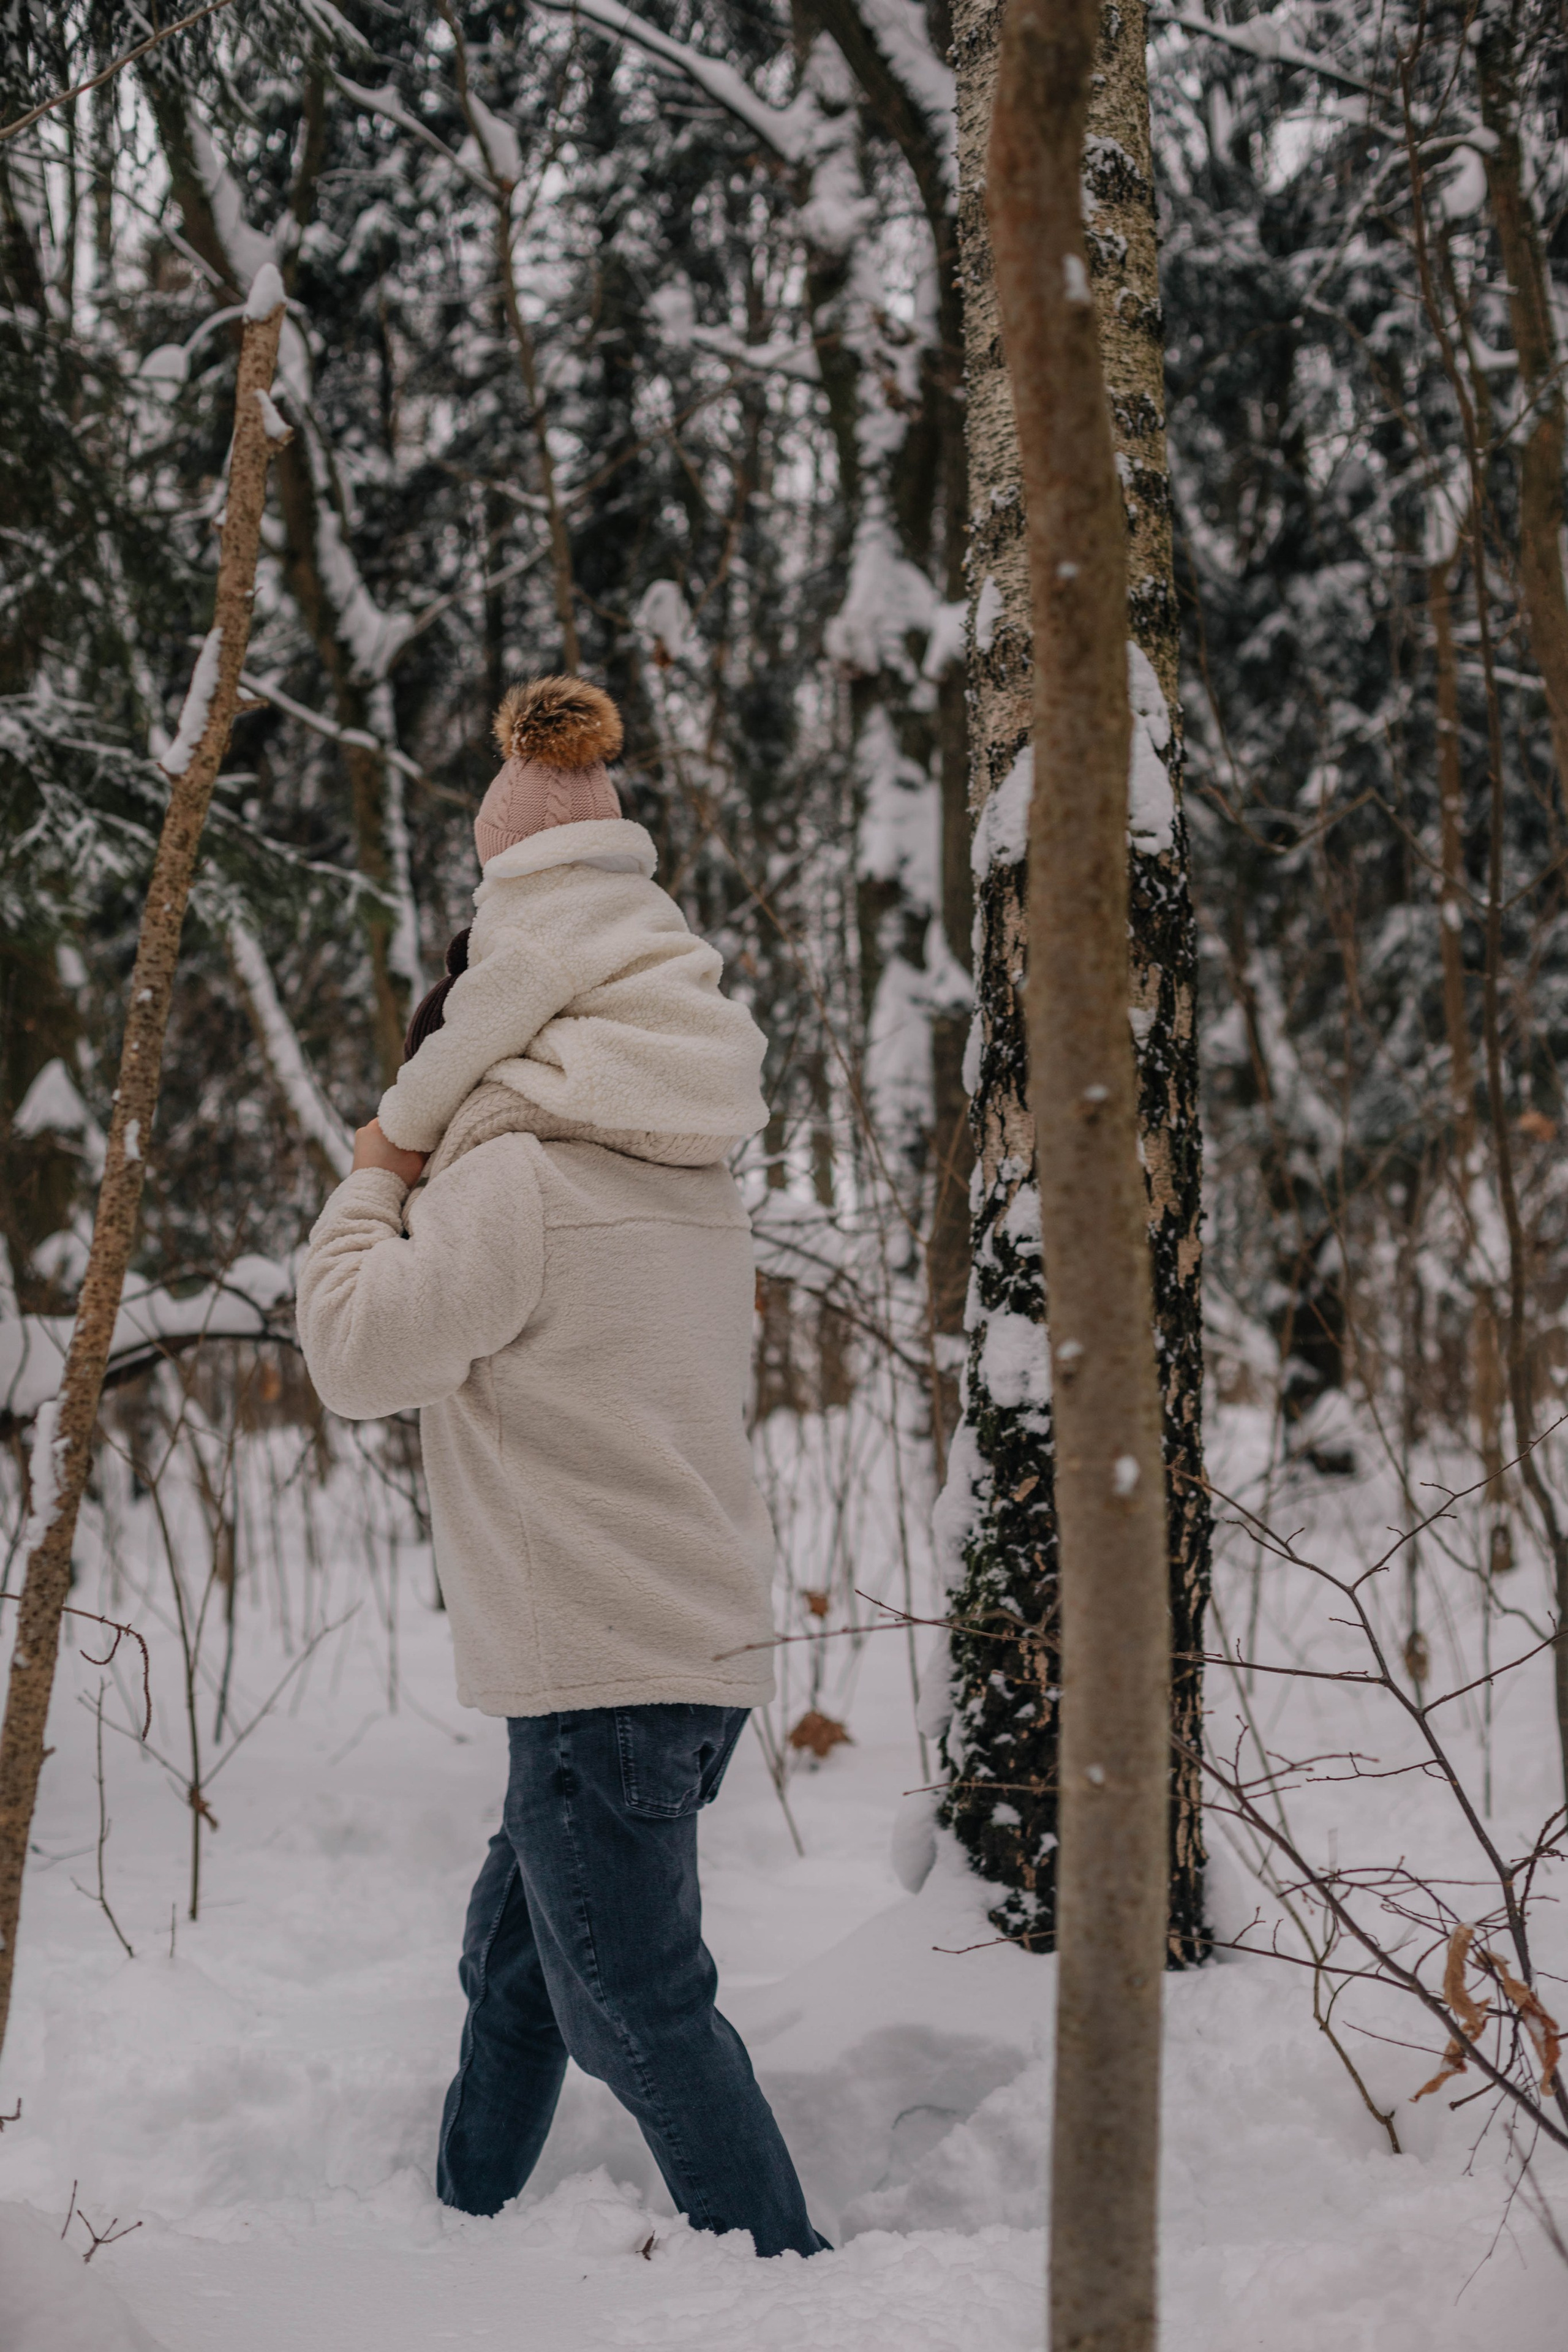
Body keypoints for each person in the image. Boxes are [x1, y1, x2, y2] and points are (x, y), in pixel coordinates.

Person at [295, 695, 825, 2259]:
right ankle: (465, 2216)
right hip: (681, 1650)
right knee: (520, 1967)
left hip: (599, 1670)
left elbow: (351, 1355)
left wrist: (374, 1175)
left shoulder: (513, 1172)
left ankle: (790, 2279)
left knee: (635, 2010)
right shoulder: (680, 1160)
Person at [374, 673, 768, 1169]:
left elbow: (473, 1035)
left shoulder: (536, 912)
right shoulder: (645, 901)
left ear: (507, 853)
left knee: (471, 1118)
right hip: (718, 1106)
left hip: (634, 1092)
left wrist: (402, 1125)